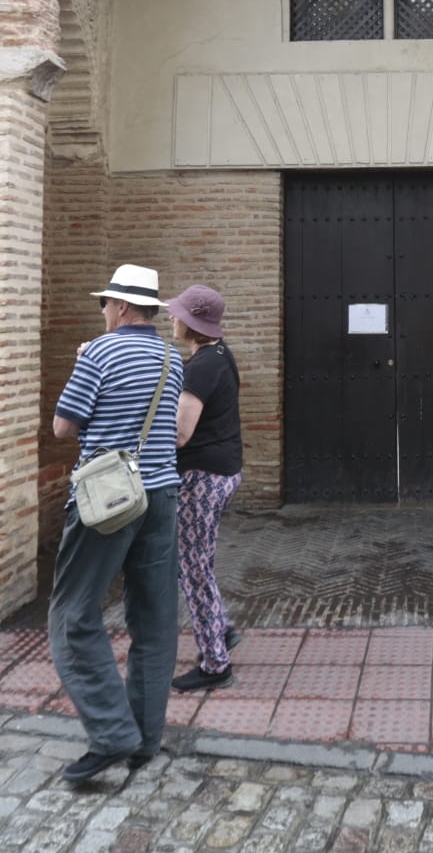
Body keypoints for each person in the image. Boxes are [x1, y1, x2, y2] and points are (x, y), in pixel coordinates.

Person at [49, 263, 184, 785]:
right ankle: (146, 740)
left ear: (122, 307)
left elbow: (64, 426)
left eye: (104, 303)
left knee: (72, 615)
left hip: (106, 501)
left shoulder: (100, 352)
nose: (102, 311)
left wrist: (83, 364)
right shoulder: (173, 357)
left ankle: (110, 735)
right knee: (153, 618)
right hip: (161, 494)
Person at [164, 285, 246, 692]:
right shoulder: (219, 354)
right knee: (199, 561)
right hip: (224, 469)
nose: (171, 319)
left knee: (192, 567)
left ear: (191, 323)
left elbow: (180, 433)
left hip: (202, 476)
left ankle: (216, 663)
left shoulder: (200, 367)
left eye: (177, 314)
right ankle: (223, 628)